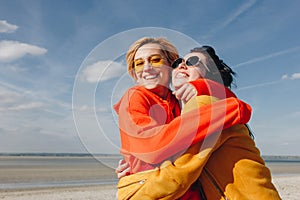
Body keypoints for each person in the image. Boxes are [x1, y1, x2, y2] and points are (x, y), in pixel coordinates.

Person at [116, 45, 281, 199]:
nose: (182, 65)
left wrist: (129, 189)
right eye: (178, 63)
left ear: (211, 74)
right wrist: (138, 163)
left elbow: (177, 175)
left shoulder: (203, 104)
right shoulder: (186, 106)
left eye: (192, 62)